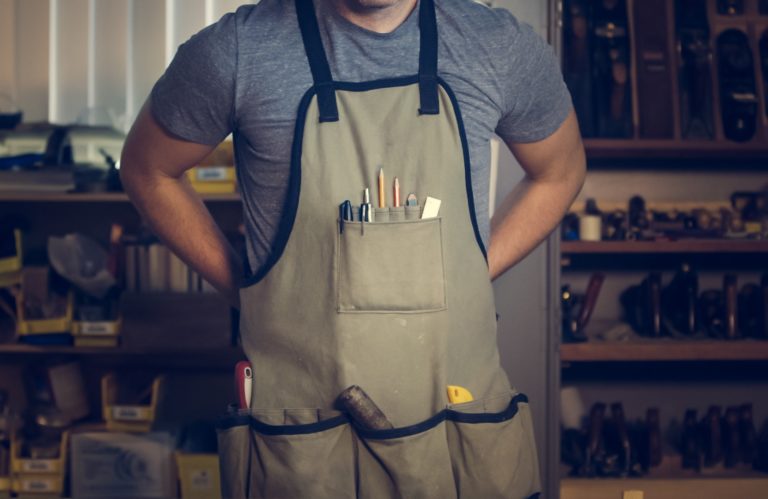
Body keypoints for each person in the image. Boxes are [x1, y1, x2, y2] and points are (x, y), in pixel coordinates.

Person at [121, 0, 586, 497]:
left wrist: (470, 270)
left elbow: (560, 172)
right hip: (305, 448)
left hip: (460, 438)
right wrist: (250, 289)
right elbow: (147, 169)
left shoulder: (494, 43)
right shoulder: (236, 50)